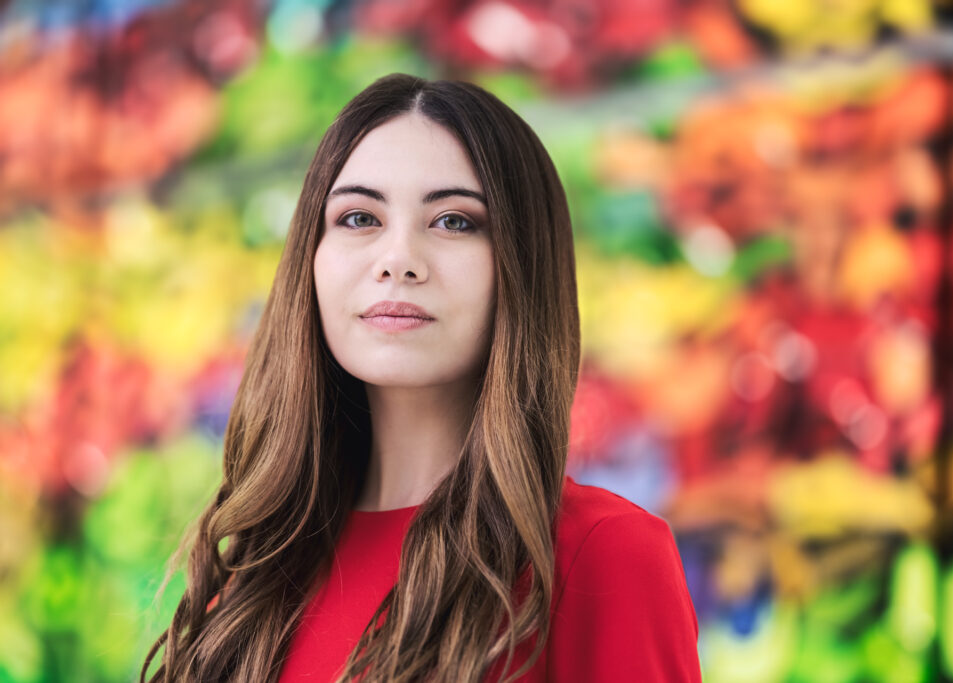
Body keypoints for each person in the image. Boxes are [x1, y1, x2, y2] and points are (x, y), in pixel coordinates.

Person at [141, 72, 701, 682]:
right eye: (358, 218)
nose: (398, 260)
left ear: (521, 267)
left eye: (454, 221)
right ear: (310, 259)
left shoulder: (601, 557)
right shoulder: (254, 584)